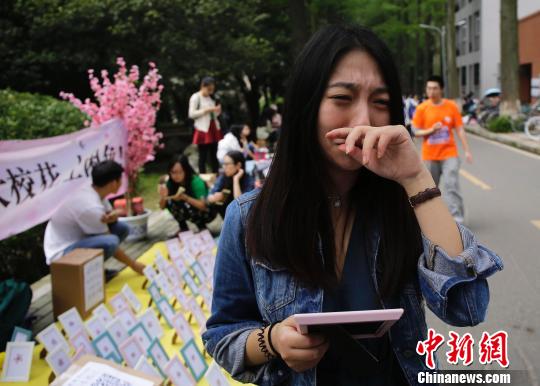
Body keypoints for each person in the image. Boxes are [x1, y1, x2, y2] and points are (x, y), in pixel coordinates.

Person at [202, 25, 503, 386]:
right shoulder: (250, 216)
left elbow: (467, 308)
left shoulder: (405, 208)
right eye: (342, 99)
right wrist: (272, 341)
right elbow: (223, 334)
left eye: (379, 103)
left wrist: (417, 179)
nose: (363, 121)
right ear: (307, 107)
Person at [44, 160, 145, 274]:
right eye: (120, 179)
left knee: (122, 228)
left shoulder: (95, 191)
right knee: (111, 241)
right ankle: (87, 274)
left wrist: (114, 215)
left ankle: (94, 271)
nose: (122, 182)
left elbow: (110, 216)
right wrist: (134, 265)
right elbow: (110, 241)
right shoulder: (90, 206)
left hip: (78, 240)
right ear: (113, 183)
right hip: (61, 254)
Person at [412, 75, 472, 224]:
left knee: (451, 185)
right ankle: (431, 220)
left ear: (441, 89)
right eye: (429, 88)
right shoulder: (422, 108)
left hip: (449, 153)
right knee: (430, 189)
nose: (431, 91)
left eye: (435, 88)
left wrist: (467, 150)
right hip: (430, 156)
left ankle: (457, 220)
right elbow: (416, 131)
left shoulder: (451, 106)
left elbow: (460, 130)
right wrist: (430, 131)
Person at [158, 155, 212, 232]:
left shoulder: (196, 181)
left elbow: (203, 206)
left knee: (186, 204)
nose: (176, 175)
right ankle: (183, 228)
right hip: (187, 210)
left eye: (180, 172)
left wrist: (186, 198)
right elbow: (162, 207)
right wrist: (163, 197)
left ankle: (202, 227)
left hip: (207, 213)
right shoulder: (170, 183)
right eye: (173, 172)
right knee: (170, 202)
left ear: (186, 170)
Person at [189, 76, 223, 173]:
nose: (210, 91)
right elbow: (191, 114)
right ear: (203, 86)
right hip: (202, 129)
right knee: (202, 156)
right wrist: (207, 110)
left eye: (212, 89)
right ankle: (203, 176)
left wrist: (217, 111)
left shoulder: (211, 98)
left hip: (213, 127)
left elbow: (214, 114)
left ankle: (216, 174)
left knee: (214, 154)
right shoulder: (196, 97)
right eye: (209, 89)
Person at [206, 150, 254, 218]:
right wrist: (214, 198)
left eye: (227, 164)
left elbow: (241, 205)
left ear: (238, 165)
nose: (223, 167)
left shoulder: (249, 181)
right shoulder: (223, 177)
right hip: (227, 217)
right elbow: (209, 197)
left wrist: (236, 180)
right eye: (223, 164)